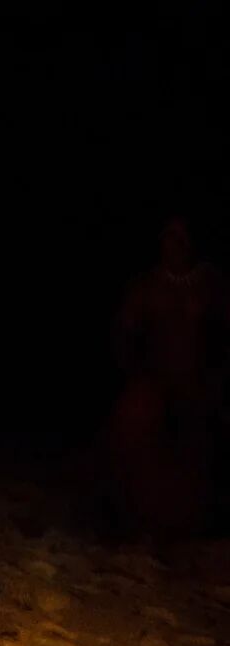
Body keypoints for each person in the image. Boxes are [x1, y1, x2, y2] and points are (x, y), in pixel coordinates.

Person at [106, 216, 229, 538]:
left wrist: (216, 376)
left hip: (196, 382)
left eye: (179, 239)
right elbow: (123, 332)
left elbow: (225, 331)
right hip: (156, 382)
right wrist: (136, 375)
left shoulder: (209, 284)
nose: (172, 246)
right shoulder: (147, 285)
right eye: (167, 238)